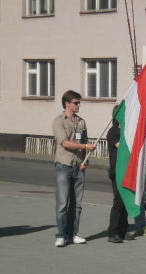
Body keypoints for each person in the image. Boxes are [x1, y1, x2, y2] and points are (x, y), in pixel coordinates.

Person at [52, 90, 97, 247]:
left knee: (76, 204)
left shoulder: (81, 122)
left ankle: (73, 234)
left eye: (79, 102)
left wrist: (86, 160)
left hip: (79, 167)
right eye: (76, 103)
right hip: (64, 166)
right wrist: (85, 146)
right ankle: (61, 235)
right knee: (62, 203)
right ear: (67, 104)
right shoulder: (59, 121)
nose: (79, 105)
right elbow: (64, 143)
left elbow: (86, 143)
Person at [106, 105, 135, 243]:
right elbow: (123, 147)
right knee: (118, 201)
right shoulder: (112, 132)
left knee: (125, 200)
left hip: (127, 170)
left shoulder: (126, 131)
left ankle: (123, 230)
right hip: (117, 170)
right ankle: (112, 232)